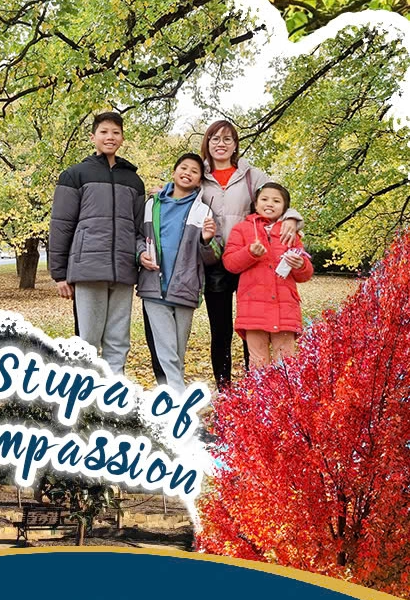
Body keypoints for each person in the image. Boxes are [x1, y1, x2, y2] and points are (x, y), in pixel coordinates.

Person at [199, 119, 302, 388]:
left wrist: (292, 218)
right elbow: (178, 191)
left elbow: (276, 198)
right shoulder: (201, 175)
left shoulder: (251, 175)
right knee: (220, 330)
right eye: (215, 138)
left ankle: (253, 388)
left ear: (235, 145)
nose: (220, 144)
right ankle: (225, 388)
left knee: (252, 327)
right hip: (215, 260)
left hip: (252, 260)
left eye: (227, 139)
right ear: (207, 143)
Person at [48, 111, 145, 375]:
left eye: (115, 132)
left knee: (118, 341)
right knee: (88, 341)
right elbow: (61, 224)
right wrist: (59, 274)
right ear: (93, 137)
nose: (109, 137)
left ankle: (114, 399)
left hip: (123, 271)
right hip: (88, 268)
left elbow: (138, 229)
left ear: (122, 138)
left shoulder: (134, 180)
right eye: (104, 132)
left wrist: (140, 255)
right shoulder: (74, 175)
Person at [135, 154, 221, 393]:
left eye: (194, 171)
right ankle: (180, 403)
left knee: (177, 351)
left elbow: (213, 255)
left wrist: (206, 240)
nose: (188, 172)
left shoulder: (203, 211)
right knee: (166, 350)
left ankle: (171, 399)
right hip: (153, 287)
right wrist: (140, 254)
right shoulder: (151, 205)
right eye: (183, 167)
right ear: (173, 172)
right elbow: (138, 238)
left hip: (186, 288)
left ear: (199, 180)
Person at [222, 182, 313, 369]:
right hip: (252, 308)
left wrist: (301, 265)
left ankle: (285, 399)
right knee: (258, 363)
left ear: (285, 208)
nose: (269, 204)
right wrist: (250, 253)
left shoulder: (291, 233)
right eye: (264, 199)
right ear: (256, 204)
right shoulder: (242, 229)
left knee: (286, 363)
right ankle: (258, 399)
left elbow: (305, 274)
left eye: (276, 201)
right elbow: (230, 263)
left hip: (286, 308)